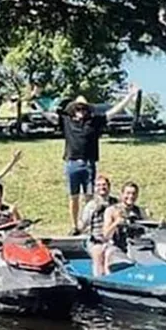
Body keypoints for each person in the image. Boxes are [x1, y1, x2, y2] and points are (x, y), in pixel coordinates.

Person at [45, 84, 140, 235]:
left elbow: (113, 112)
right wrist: (33, 100)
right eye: (78, 108)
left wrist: (129, 97)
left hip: (89, 164)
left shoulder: (94, 121)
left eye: (83, 108)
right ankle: (75, 226)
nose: (81, 111)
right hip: (72, 163)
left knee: (89, 198)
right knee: (73, 197)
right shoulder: (66, 121)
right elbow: (49, 116)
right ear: (73, 109)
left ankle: (87, 225)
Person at [101, 181, 147, 274]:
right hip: (115, 247)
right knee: (110, 254)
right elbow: (105, 235)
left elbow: (148, 231)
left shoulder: (140, 212)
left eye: (134, 194)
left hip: (135, 248)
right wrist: (116, 223)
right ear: (122, 194)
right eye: (128, 193)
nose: (131, 196)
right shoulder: (111, 210)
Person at [77, 175, 118, 277]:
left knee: (110, 254)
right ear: (95, 188)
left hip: (113, 241)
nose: (102, 188)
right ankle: (98, 278)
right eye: (98, 185)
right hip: (96, 240)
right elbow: (82, 224)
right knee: (98, 254)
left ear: (109, 187)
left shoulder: (116, 203)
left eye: (104, 185)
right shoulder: (91, 205)